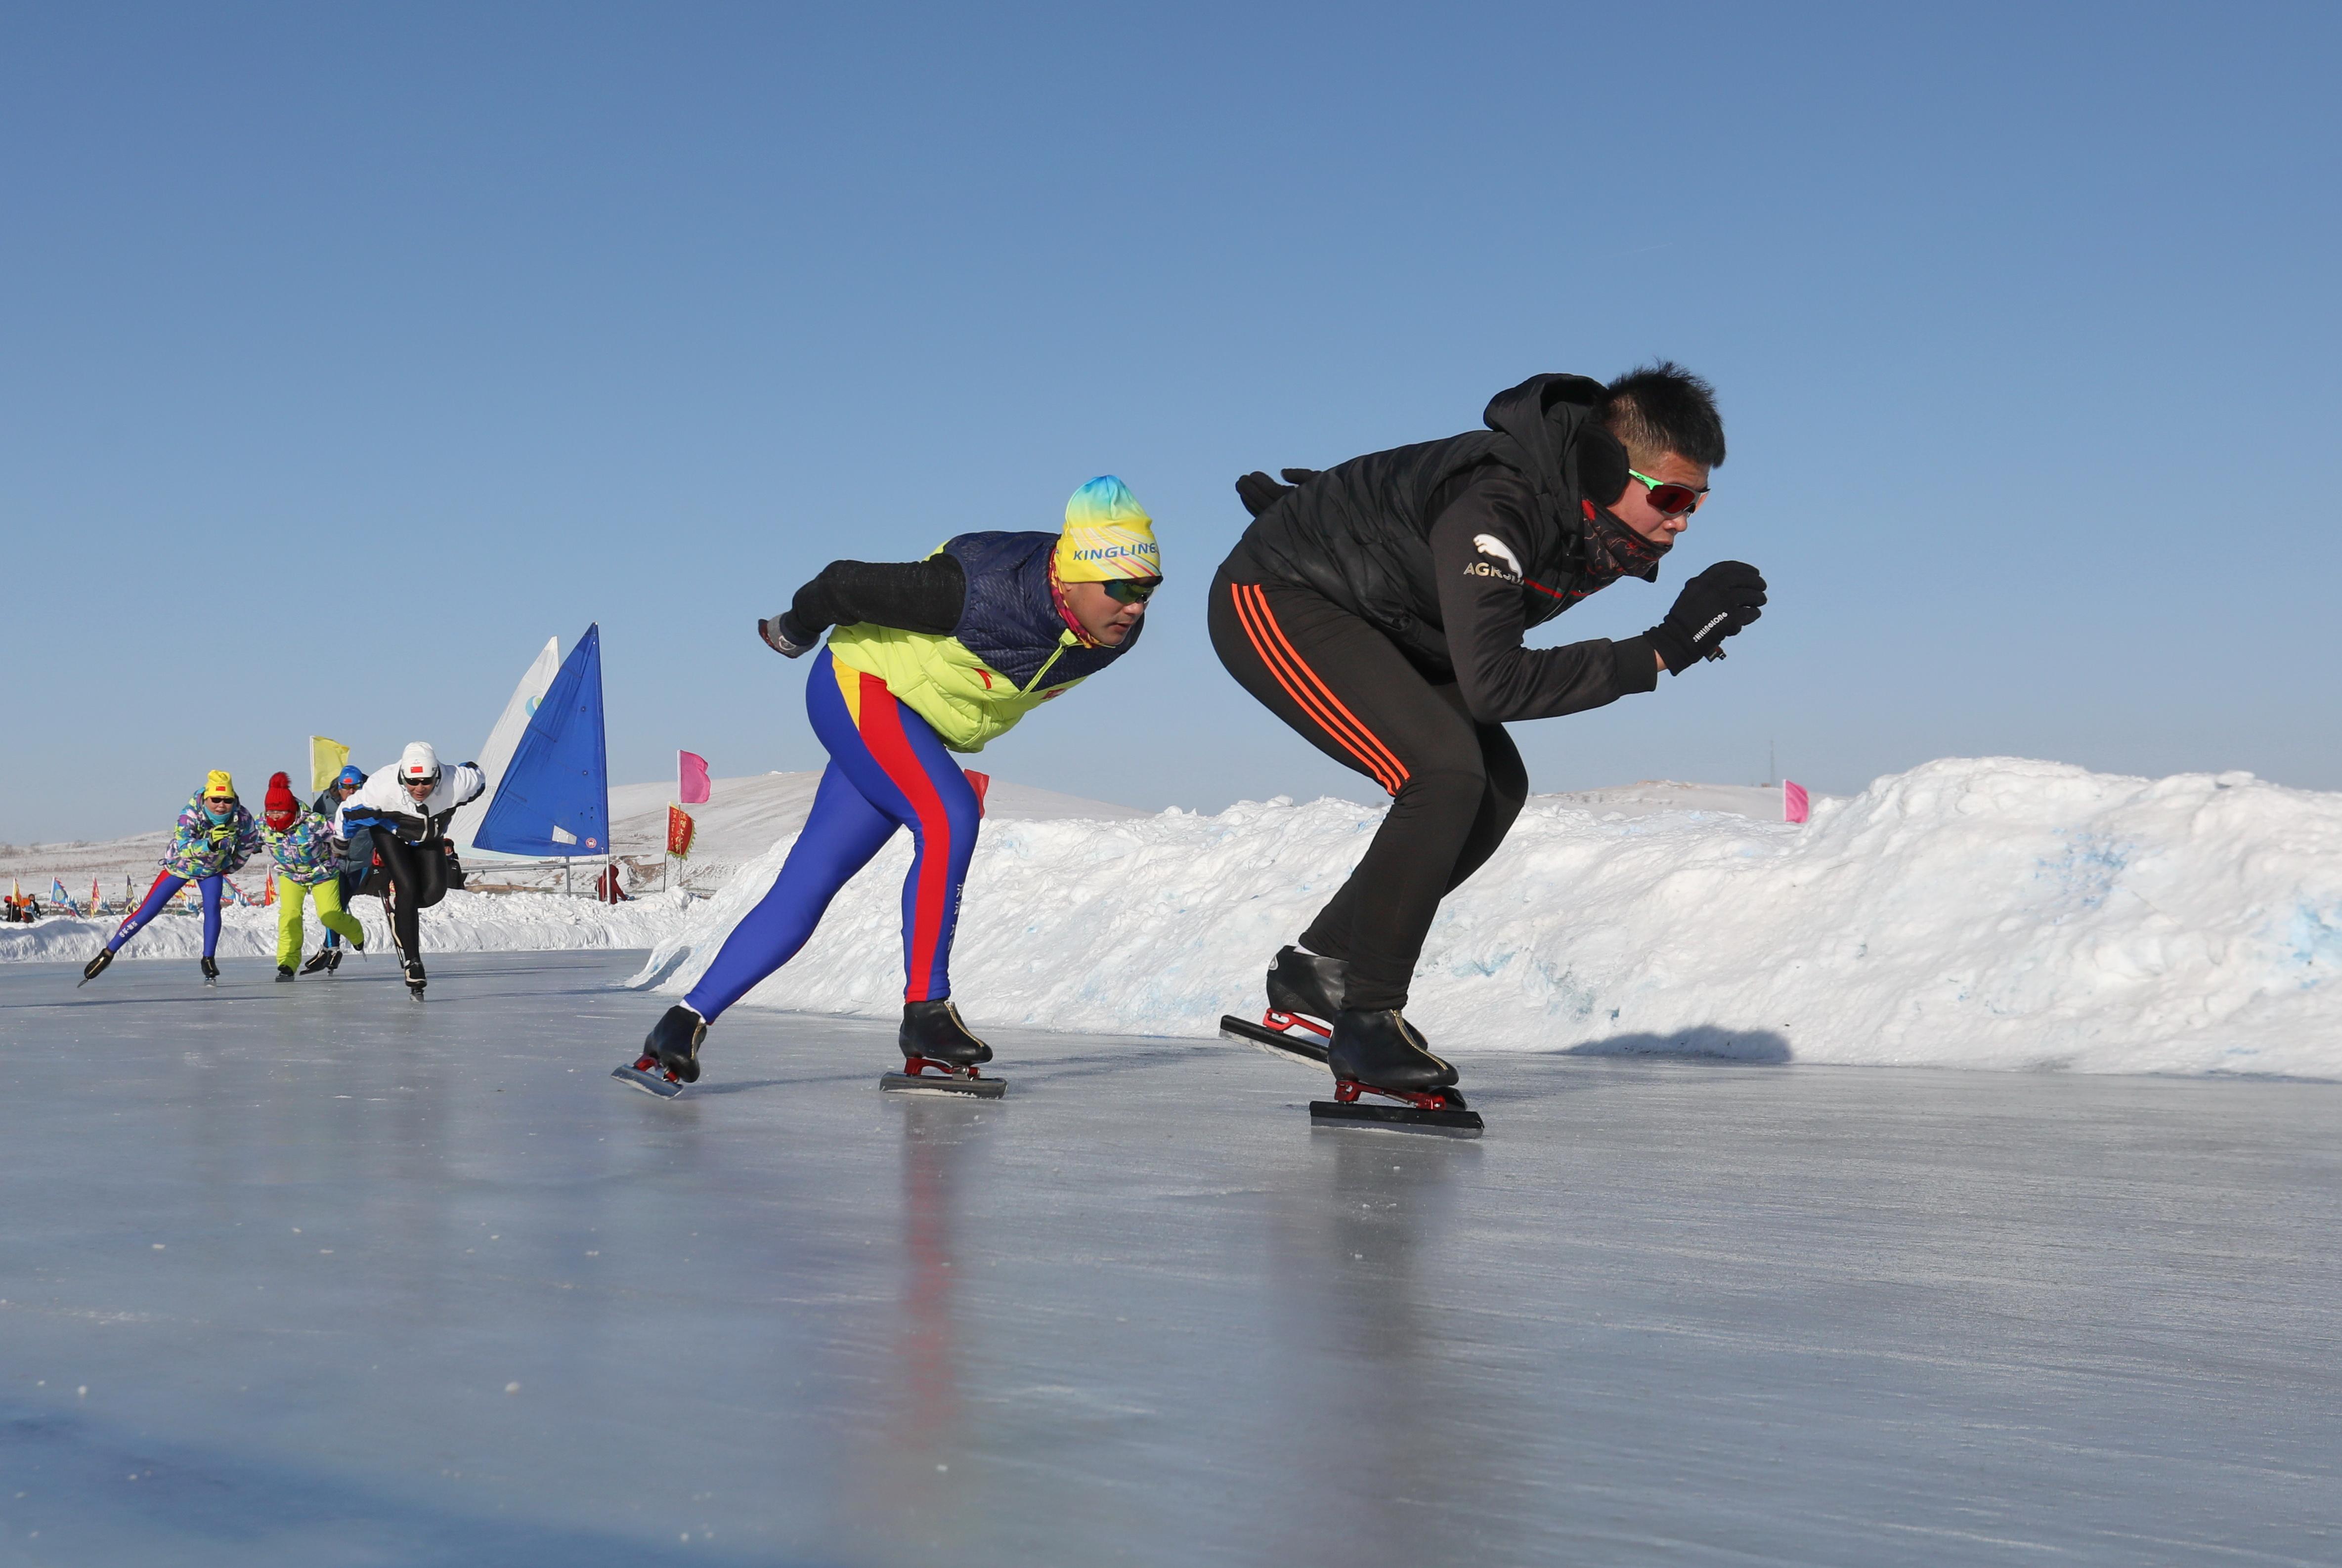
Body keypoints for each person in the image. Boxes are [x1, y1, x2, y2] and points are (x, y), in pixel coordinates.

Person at [1210, 365, 1766, 1118]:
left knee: (1496, 786)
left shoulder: (1596, 521)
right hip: (1278, 596)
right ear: (1606, 468)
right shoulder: (1501, 504)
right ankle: (1368, 1018)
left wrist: (1351, 517)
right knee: (1442, 772)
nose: (1683, 520)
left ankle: (1323, 967)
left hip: (1387, 615)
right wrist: (1661, 649)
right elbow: (1495, 684)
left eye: (1697, 500)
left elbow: (1420, 509)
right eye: (1668, 497)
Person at [625, 476, 1160, 1095]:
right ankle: (926, 1013)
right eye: (1121, 588)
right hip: (858, 686)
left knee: (811, 877)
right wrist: (791, 630)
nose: (1136, 606)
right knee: (950, 813)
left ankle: (681, 1023)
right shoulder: (972, 593)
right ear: (1068, 578)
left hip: (913, 728)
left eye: (1148, 589)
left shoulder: (1114, 632)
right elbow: (841, 583)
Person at [80, 770, 266, 989]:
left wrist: (230, 866)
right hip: (181, 866)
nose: (221, 805)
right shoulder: (190, 814)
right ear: (206, 798)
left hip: (212, 869)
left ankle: (208, 959)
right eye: (216, 800)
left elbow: (248, 844)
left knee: (213, 909)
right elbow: (184, 847)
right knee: (147, 912)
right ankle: (107, 954)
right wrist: (208, 844)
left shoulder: (242, 817)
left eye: (227, 800)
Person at [335, 743, 485, 999]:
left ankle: (400, 908)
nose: (419, 789)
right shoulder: (382, 789)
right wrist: (341, 843)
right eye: (412, 782)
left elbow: (478, 776)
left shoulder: (457, 783)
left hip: (430, 836)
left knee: (433, 893)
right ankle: (413, 962)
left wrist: (468, 768)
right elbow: (347, 813)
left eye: (426, 782)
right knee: (407, 888)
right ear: (402, 776)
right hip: (389, 833)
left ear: (437, 776)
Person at [259, 772, 367, 981]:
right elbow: (246, 844)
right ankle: (287, 963)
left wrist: (340, 848)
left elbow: (340, 836)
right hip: (290, 875)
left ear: (290, 809)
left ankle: (356, 932)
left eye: (279, 812)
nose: (275, 816)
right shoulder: (262, 825)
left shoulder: (313, 823)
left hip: (322, 874)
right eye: (271, 811)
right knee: (289, 916)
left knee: (330, 916)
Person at [302, 764, 367, 974]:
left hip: (360, 862)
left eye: (356, 787)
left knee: (342, 904)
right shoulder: (325, 803)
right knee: (334, 908)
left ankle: (330, 948)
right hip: (333, 864)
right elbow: (312, 828)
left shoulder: (371, 799)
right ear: (338, 787)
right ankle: (331, 948)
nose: (351, 792)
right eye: (346, 787)